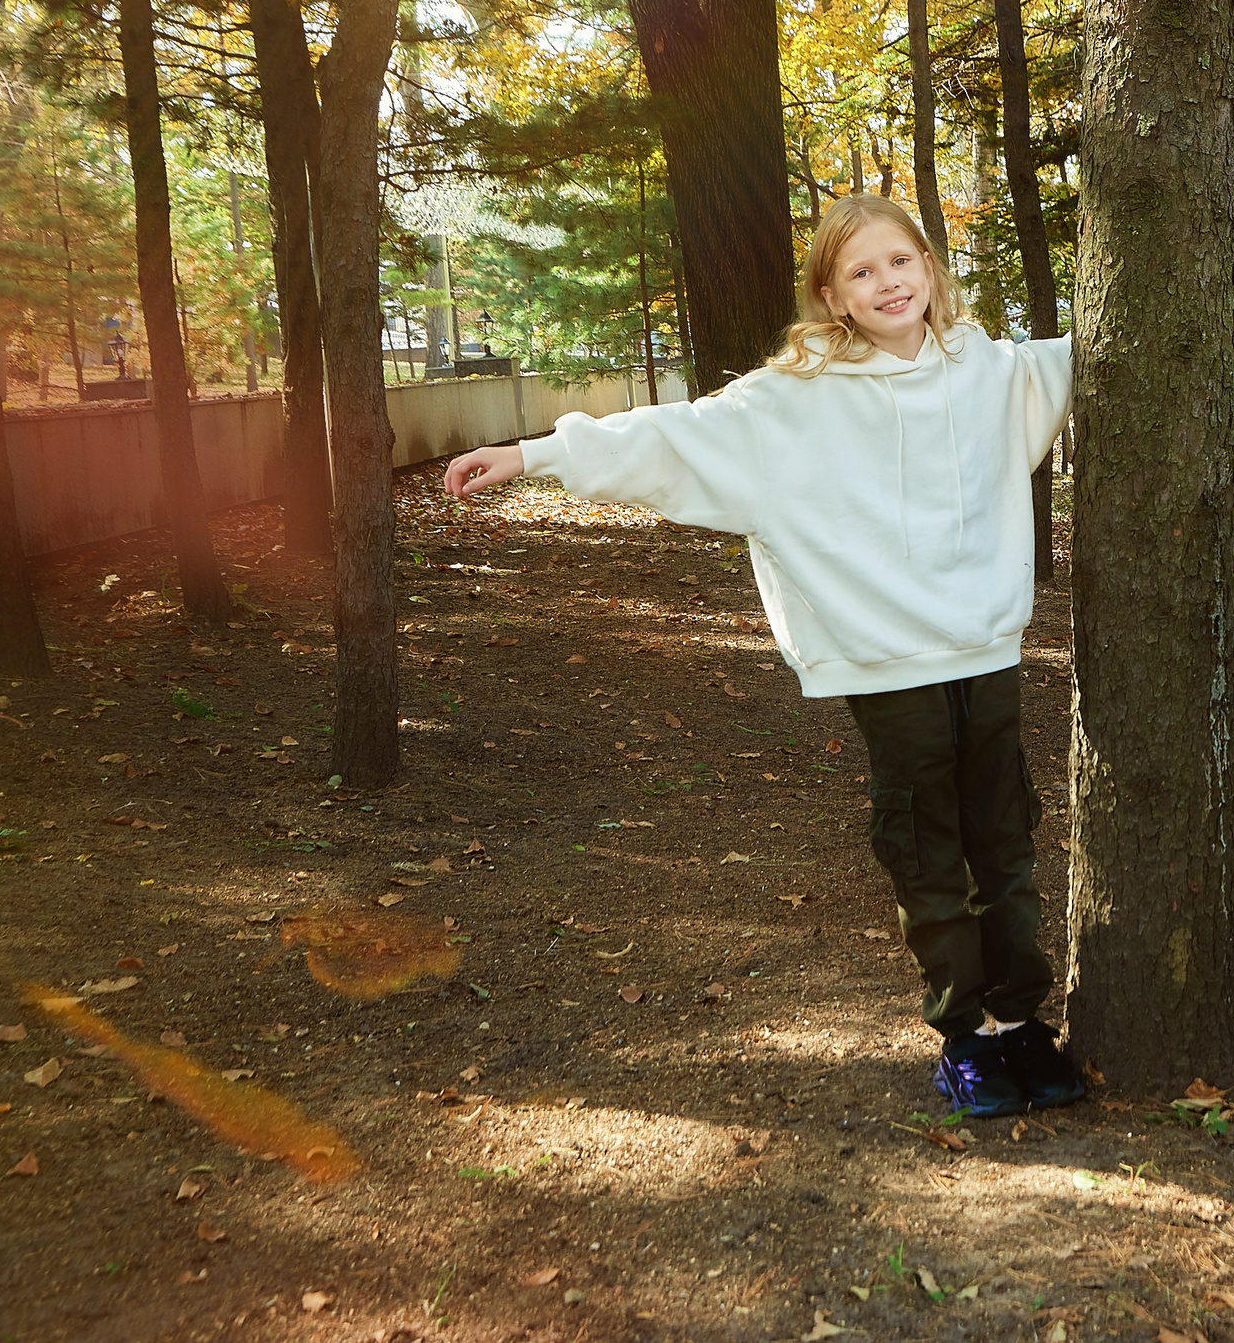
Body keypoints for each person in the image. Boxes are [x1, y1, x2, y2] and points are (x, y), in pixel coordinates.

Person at [443, 194, 1081, 1120]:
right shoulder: (795, 398)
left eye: (900, 262)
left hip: (985, 649)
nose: (888, 283)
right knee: (928, 851)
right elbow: (674, 437)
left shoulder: (995, 371)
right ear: (832, 295)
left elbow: (1113, 360)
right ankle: (966, 1039)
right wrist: (538, 456)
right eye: (861, 272)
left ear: (931, 269)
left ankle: (1026, 1026)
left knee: (1005, 843)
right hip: (883, 661)